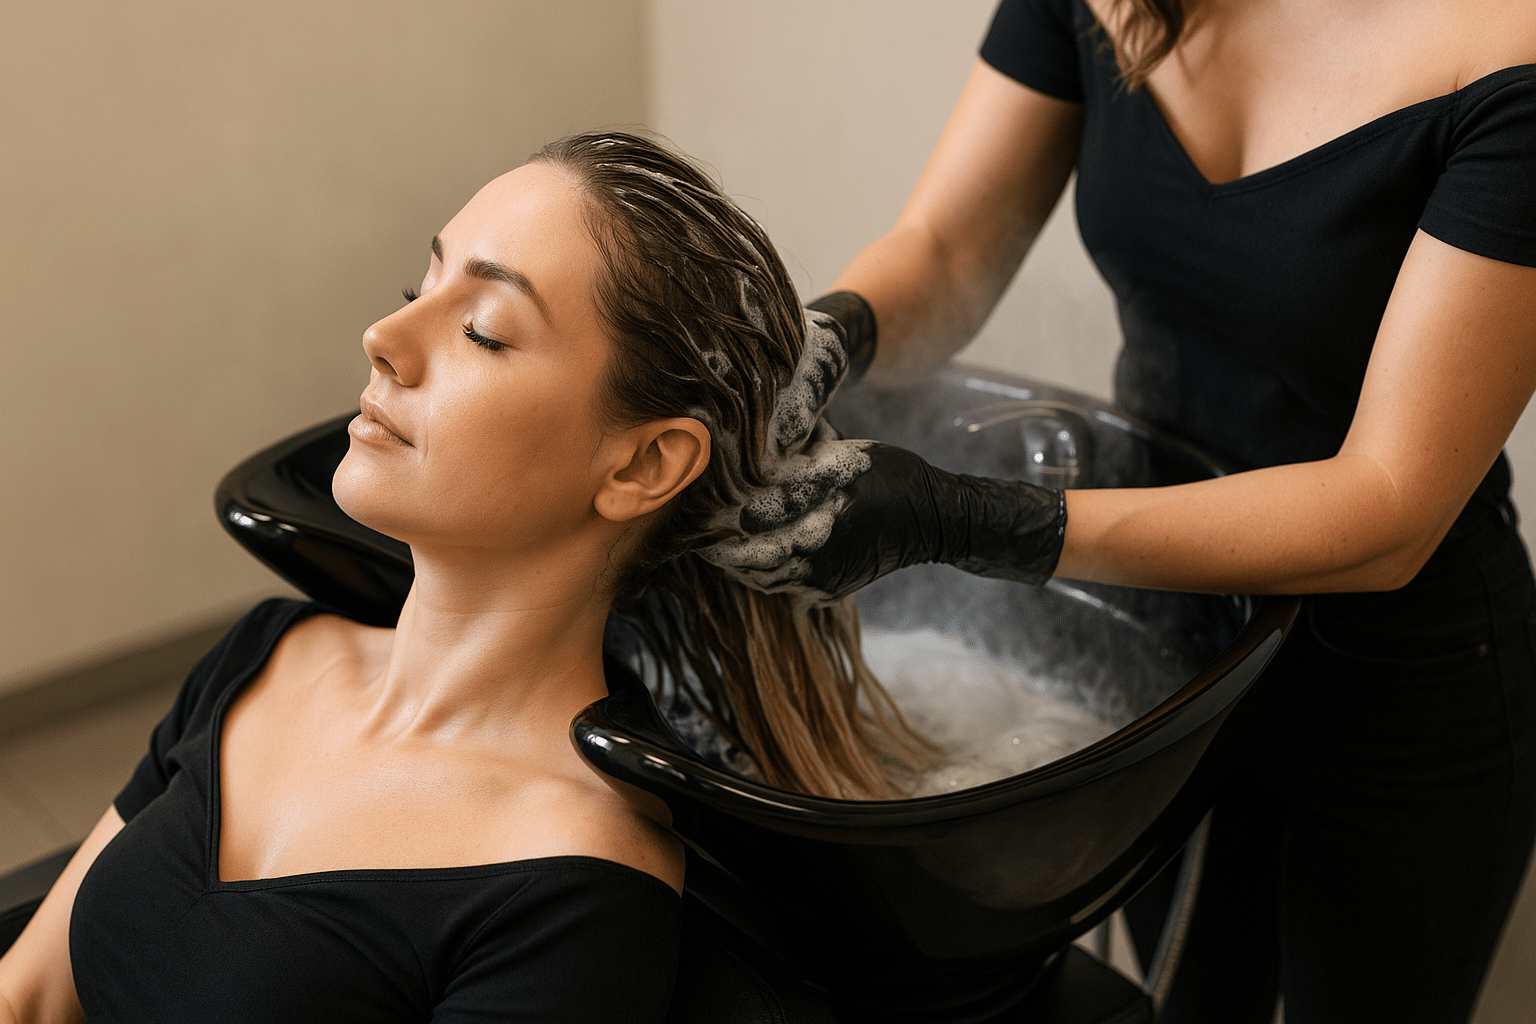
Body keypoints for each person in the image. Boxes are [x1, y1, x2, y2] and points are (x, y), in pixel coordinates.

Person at [700, 0, 1536, 1021]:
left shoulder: (1506, 57)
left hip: (1396, 690)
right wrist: (833, 336)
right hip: (1171, 646)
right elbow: (951, 247)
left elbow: (1389, 505)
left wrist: (976, 521)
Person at [0, 131, 928, 1024]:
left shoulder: (573, 877)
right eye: (420, 284)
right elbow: (28, 997)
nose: (383, 336)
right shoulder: (271, 655)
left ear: (641, 467)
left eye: (484, 331)